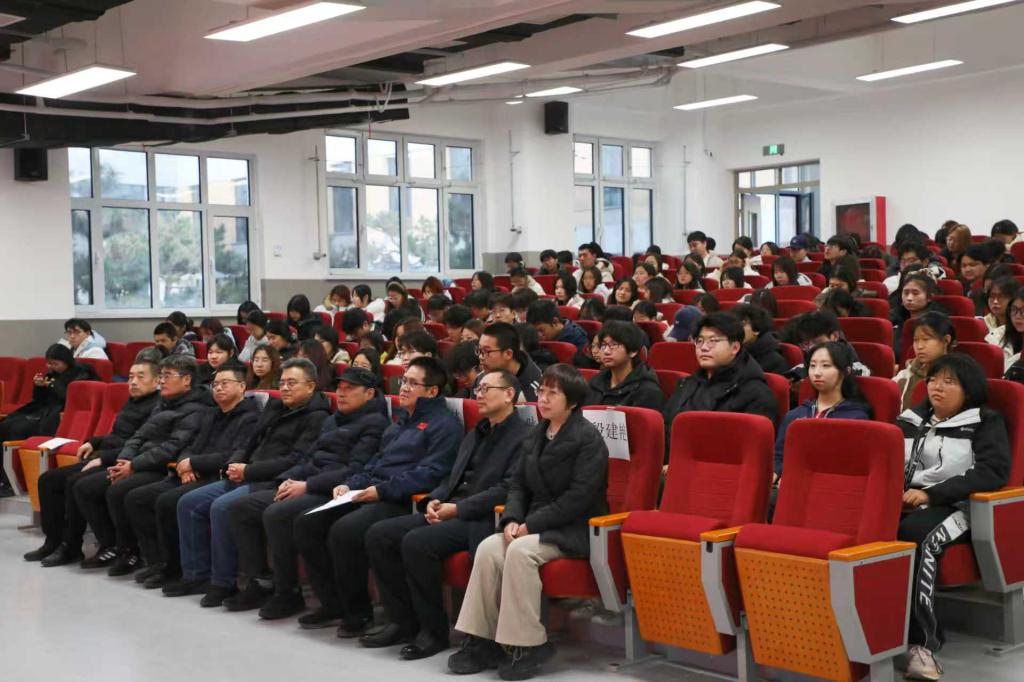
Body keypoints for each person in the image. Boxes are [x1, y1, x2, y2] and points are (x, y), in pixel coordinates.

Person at [450, 364, 608, 679]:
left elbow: (578, 498)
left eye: (553, 393)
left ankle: (528, 644)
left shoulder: (589, 440)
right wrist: (511, 518)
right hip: (534, 524)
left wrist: (530, 525)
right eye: (542, 391)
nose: (544, 399)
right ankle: (481, 639)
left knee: (520, 553)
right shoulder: (536, 433)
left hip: (573, 528)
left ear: (572, 401)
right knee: (489, 548)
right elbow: (518, 485)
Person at [365, 370, 530, 659]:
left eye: (486, 389)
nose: (478, 394)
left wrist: (457, 509)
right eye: (477, 389)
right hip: (452, 508)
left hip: (481, 517)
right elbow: (453, 477)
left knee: (417, 542)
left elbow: (508, 489)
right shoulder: (477, 431)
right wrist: (434, 499)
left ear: (508, 394)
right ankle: (402, 621)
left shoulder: (524, 437)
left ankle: (433, 632)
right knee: (380, 534)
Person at [294, 357, 462, 636]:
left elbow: (430, 474)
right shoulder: (400, 421)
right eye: (403, 381)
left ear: (432, 391)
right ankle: (333, 604)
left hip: (401, 499)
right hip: (372, 491)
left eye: (412, 383)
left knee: (346, 530)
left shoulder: (444, 425)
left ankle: (362, 613)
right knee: (308, 522)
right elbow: (375, 463)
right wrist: (350, 485)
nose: (404, 387)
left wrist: (380, 491)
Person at [216, 367, 390, 617]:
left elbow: (354, 470)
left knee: (279, 514)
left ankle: (288, 593)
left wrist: (307, 485)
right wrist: (288, 479)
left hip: (334, 489)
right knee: (242, 507)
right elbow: (308, 458)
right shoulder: (333, 419)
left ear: (369, 393)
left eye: (350, 389)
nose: (341, 393)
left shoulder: (375, 424)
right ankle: (261, 581)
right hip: (309, 481)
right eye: (339, 388)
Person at [175, 358, 332, 608]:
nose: (285, 388)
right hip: (247, 473)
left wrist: (248, 471)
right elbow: (250, 442)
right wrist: (234, 465)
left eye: (292, 383)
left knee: (222, 507)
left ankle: (226, 582)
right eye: (282, 382)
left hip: (270, 480)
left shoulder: (317, 417)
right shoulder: (276, 407)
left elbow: (295, 459)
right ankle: (196, 575)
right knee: (189, 502)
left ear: (311, 386)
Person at [897, 355, 1010, 680]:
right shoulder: (910, 419)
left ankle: (922, 645)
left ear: (968, 390)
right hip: (903, 501)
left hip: (959, 506)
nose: (937, 387)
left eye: (949, 382)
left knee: (916, 536)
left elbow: (992, 471)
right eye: (933, 380)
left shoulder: (984, 421)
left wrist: (932, 494)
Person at [74, 354, 213, 576]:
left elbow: (172, 447)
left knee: (123, 492)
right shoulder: (164, 403)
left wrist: (133, 465)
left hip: (162, 466)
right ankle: (121, 549)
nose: (161, 381)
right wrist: (125, 459)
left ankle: (142, 555)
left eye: (167, 376)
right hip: (141, 461)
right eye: (161, 376)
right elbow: (138, 436)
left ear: (186, 380)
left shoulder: (196, 409)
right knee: (87, 485)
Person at [125, 365, 260, 589]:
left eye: (225, 383)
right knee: (139, 497)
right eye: (215, 384)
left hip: (216, 476)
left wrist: (194, 463)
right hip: (193, 473)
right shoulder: (212, 413)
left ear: (242, 387)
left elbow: (234, 455)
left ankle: (188, 571)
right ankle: (161, 563)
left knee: (170, 501)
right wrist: (185, 463)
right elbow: (192, 446)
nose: (218, 388)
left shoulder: (251, 418)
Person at [26, 359, 161, 567]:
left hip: (123, 460)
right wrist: (94, 441)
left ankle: (77, 546)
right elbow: (118, 435)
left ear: (156, 381)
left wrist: (103, 458)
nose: (133, 382)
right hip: (109, 454)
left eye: (140, 377)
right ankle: (53, 541)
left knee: (76, 482)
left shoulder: (156, 407)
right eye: (131, 377)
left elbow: (140, 445)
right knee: (48, 480)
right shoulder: (133, 401)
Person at [662, 312, 778, 461]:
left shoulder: (757, 394)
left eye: (713, 341)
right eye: (699, 341)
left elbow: (746, 453)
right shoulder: (687, 384)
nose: (704, 348)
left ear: (735, 347)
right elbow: (665, 430)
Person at [774, 342, 871, 480]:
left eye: (826, 366)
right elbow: (779, 456)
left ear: (846, 371)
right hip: (789, 484)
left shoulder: (856, 419)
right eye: (812, 366)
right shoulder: (794, 415)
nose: (817, 373)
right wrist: (776, 473)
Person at [0, 344, 98, 443]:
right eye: (49, 364)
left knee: (17, 428)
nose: (51, 367)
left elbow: (72, 398)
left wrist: (53, 385)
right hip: (44, 411)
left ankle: (16, 452)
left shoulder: (82, 373)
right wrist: (39, 386)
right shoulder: (52, 375)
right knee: (5, 424)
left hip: (60, 414)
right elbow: (39, 400)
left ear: (66, 362)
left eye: (55, 364)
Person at [586, 320, 663, 410]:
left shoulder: (647, 391)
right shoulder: (595, 382)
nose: (606, 351)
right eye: (603, 345)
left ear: (633, 351)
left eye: (614, 345)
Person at [894, 311, 955, 411]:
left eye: (926, 339)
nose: (919, 346)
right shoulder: (906, 375)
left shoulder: (956, 377)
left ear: (946, 340)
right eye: (916, 340)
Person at [785, 311, 871, 377]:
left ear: (835, 336)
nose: (811, 348)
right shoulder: (797, 372)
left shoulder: (859, 371)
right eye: (805, 344)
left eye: (817, 342)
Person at [474, 322, 543, 402]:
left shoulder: (534, 390)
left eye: (486, 351)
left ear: (508, 354)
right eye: (479, 350)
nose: (481, 357)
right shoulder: (481, 378)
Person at [731, 303, 789, 375]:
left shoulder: (774, 361)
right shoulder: (733, 352)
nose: (735, 329)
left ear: (756, 329)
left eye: (742, 324)